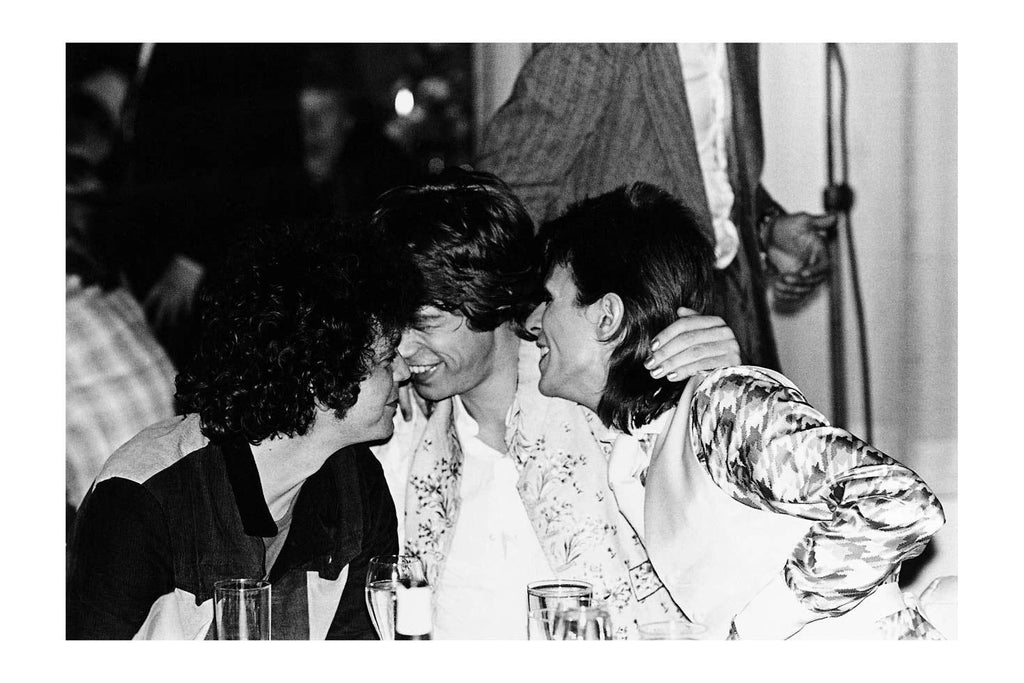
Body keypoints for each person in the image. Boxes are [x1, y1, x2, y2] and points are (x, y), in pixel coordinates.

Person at [525, 182, 945, 639]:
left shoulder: (720, 403)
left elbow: (901, 503)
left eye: (547, 301)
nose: (531, 325)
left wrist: (747, 637)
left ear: (606, 315)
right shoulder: (639, 447)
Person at [370, 169, 741, 639]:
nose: (401, 351)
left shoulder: (609, 406)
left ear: (491, 298)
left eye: (425, 322)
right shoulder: (401, 437)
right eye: (394, 327)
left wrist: (722, 390)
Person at [67, 220, 419, 640]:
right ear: (319, 377)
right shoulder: (145, 499)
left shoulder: (355, 485)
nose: (403, 371)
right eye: (385, 360)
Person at [478, 43, 837, 371]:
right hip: (628, 350)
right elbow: (507, 193)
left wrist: (767, 226)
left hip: (731, 317)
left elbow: (707, 170)